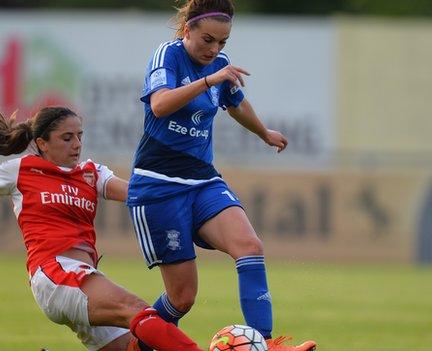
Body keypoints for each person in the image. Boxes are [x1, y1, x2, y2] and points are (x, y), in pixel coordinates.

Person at [0, 107, 203, 351]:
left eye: (80, 135)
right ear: (41, 143)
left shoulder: (92, 172)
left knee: (134, 347)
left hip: (85, 277)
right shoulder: (22, 170)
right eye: (67, 138)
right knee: (137, 310)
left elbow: (138, 194)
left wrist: (190, 203)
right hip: (54, 274)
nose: (77, 144)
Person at [127, 1, 317, 351]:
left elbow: (235, 102)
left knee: (250, 246)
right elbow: (160, 104)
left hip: (202, 180)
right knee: (182, 298)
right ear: (188, 31)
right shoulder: (167, 55)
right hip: (158, 186)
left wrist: (263, 133)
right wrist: (208, 79)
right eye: (208, 40)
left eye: (222, 44)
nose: (214, 50)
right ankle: (137, 344)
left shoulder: (220, 67)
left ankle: (268, 344)